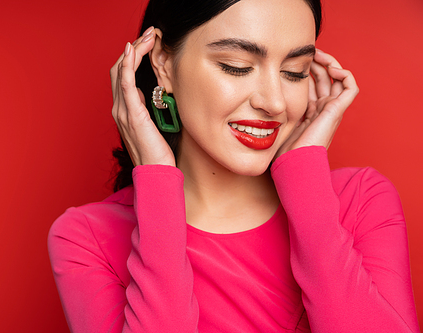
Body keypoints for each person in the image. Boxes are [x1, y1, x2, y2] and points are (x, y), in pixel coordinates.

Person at [48, 0, 421, 332]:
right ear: (163, 62)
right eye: (237, 66)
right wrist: (158, 181)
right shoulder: (86, 239)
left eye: (294, 71)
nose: (274, 103)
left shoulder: (360, 200)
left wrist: (305, 177)